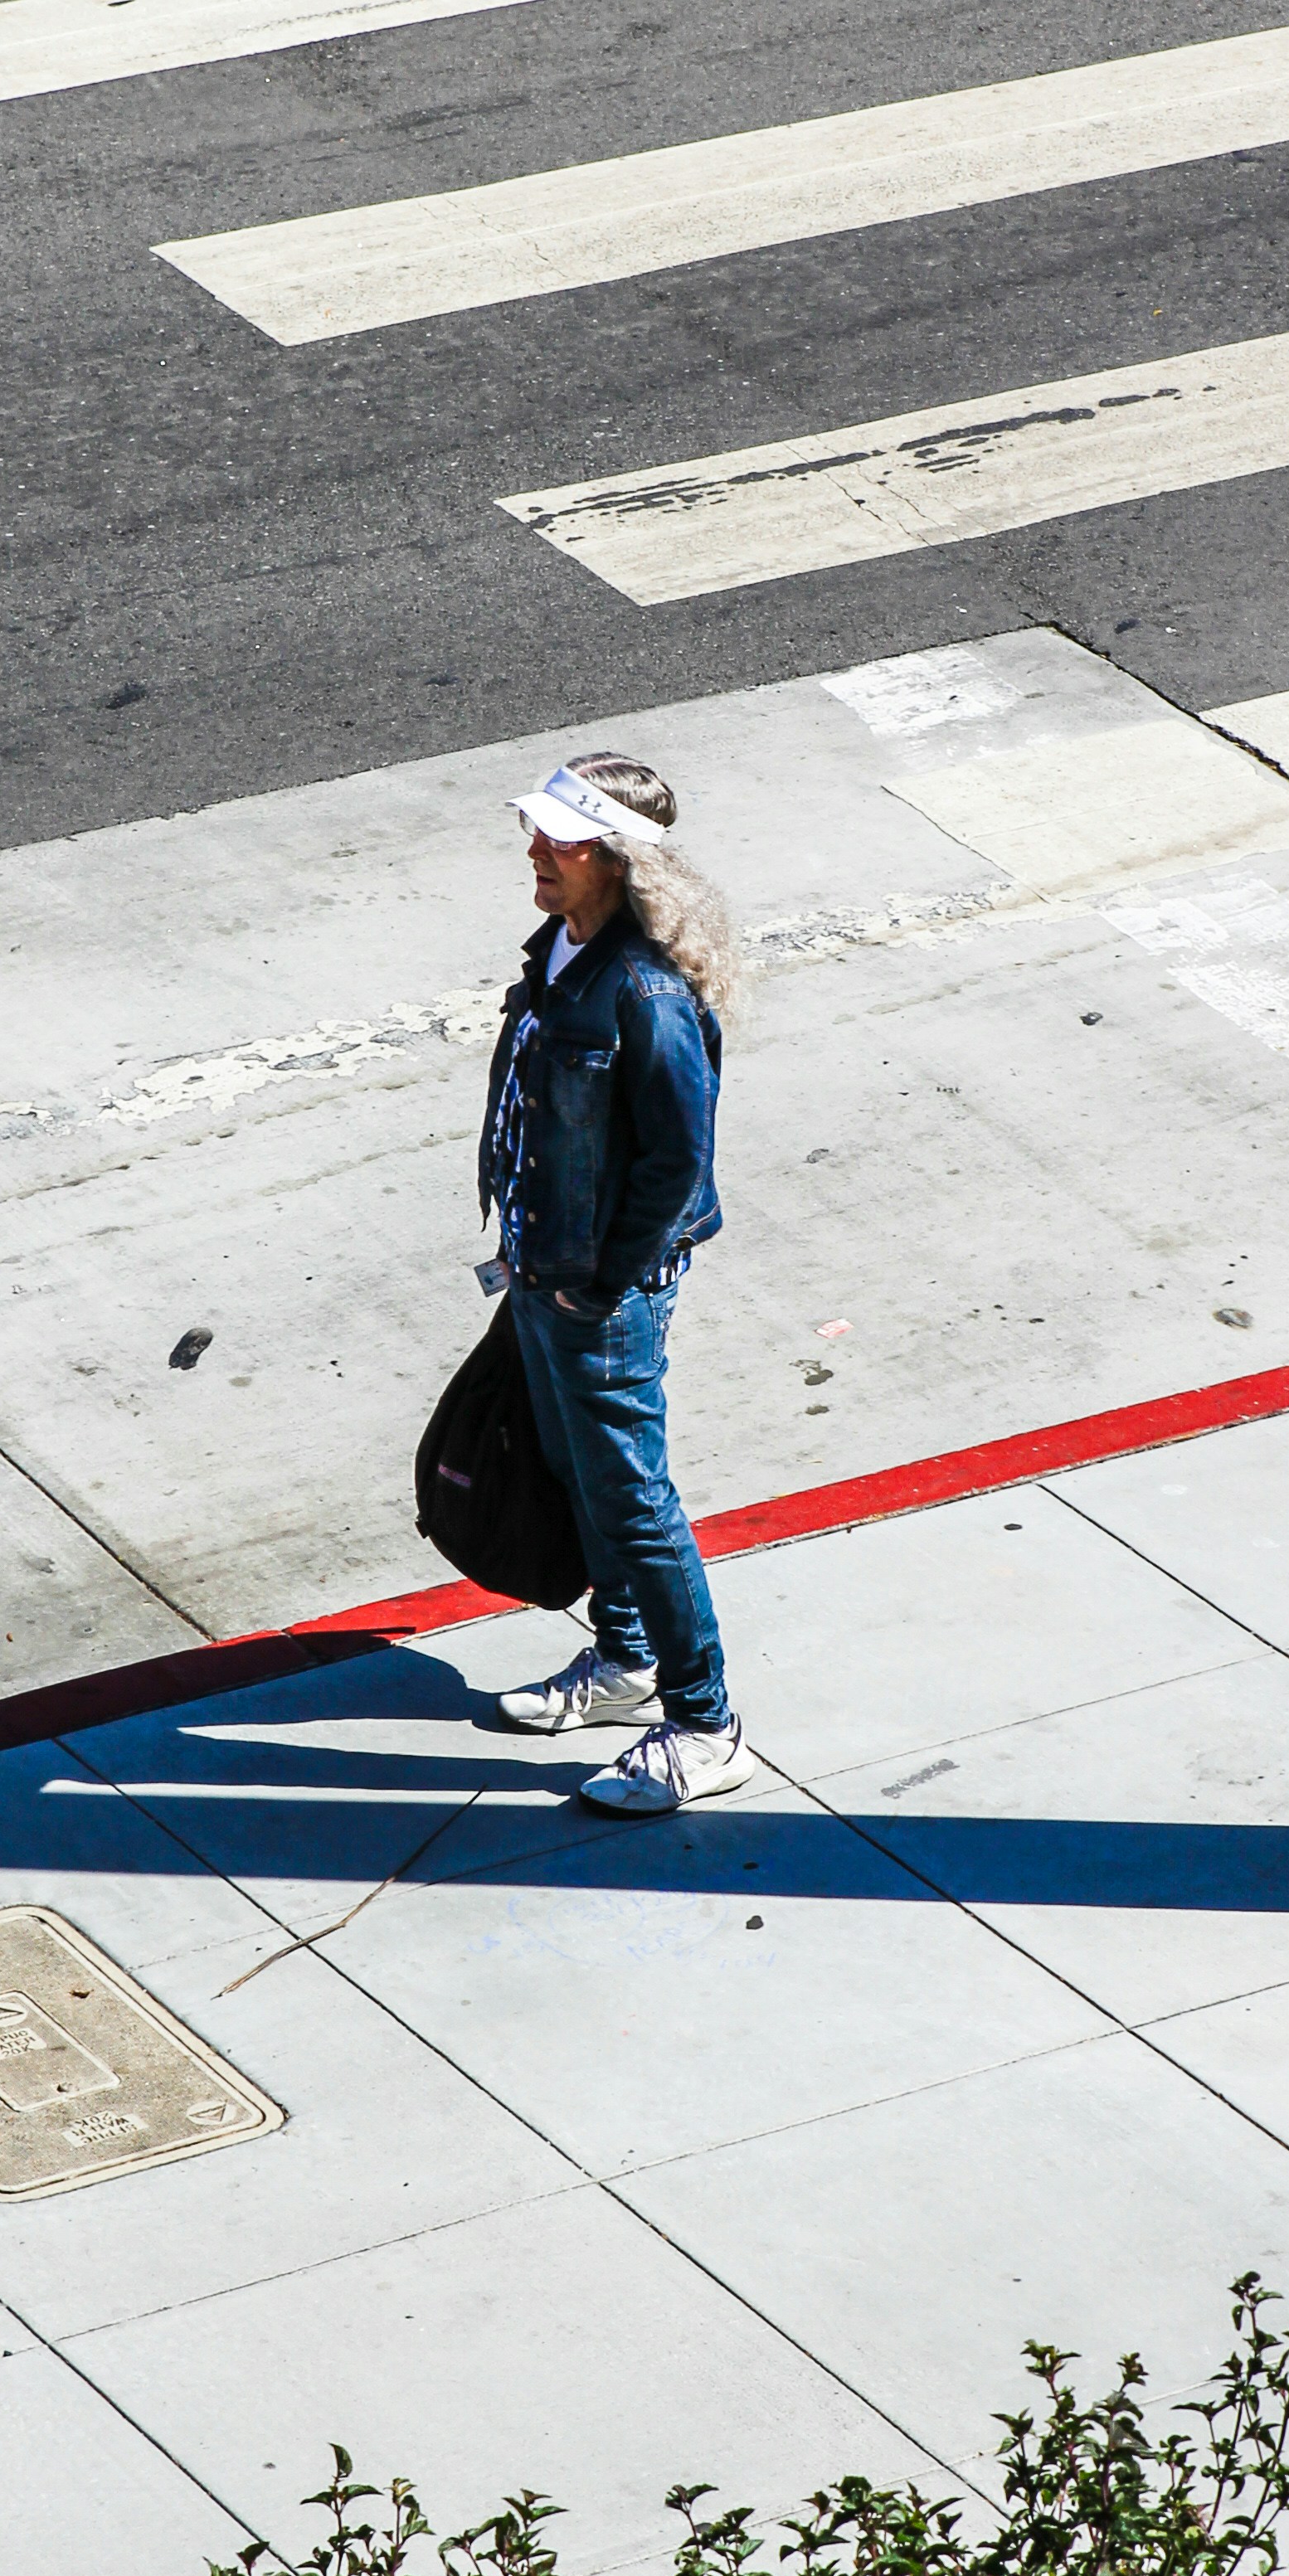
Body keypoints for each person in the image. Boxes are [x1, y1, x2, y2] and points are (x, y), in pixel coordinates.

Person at [476, 751, 755, 1812]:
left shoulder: (642, 987)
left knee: (635, 1501)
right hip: (545, 1266)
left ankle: (706, 1723)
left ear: (619, 859)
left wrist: (603, 1286)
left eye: (562, 838)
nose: (537, 852)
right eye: (538, 832)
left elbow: (678, 1156)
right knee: (578, 1468)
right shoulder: (561, 947)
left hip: (599, 1288)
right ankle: (626, 1664)